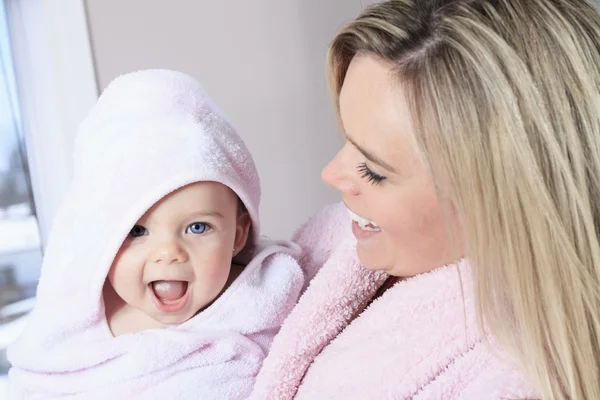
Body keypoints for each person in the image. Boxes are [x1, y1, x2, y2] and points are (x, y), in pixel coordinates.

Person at [251, 0, 600, 399]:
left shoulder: (510, 379)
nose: (331, 174)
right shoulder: (324, 243)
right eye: (346, 138)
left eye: (374, 170)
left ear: (510, 197)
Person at [8, 69, 304, 399]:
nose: (169, 252)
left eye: (197, 227)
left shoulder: (267, 297)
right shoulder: (72, 334)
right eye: (136, 230)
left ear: (237, 234)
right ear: (99, 240)